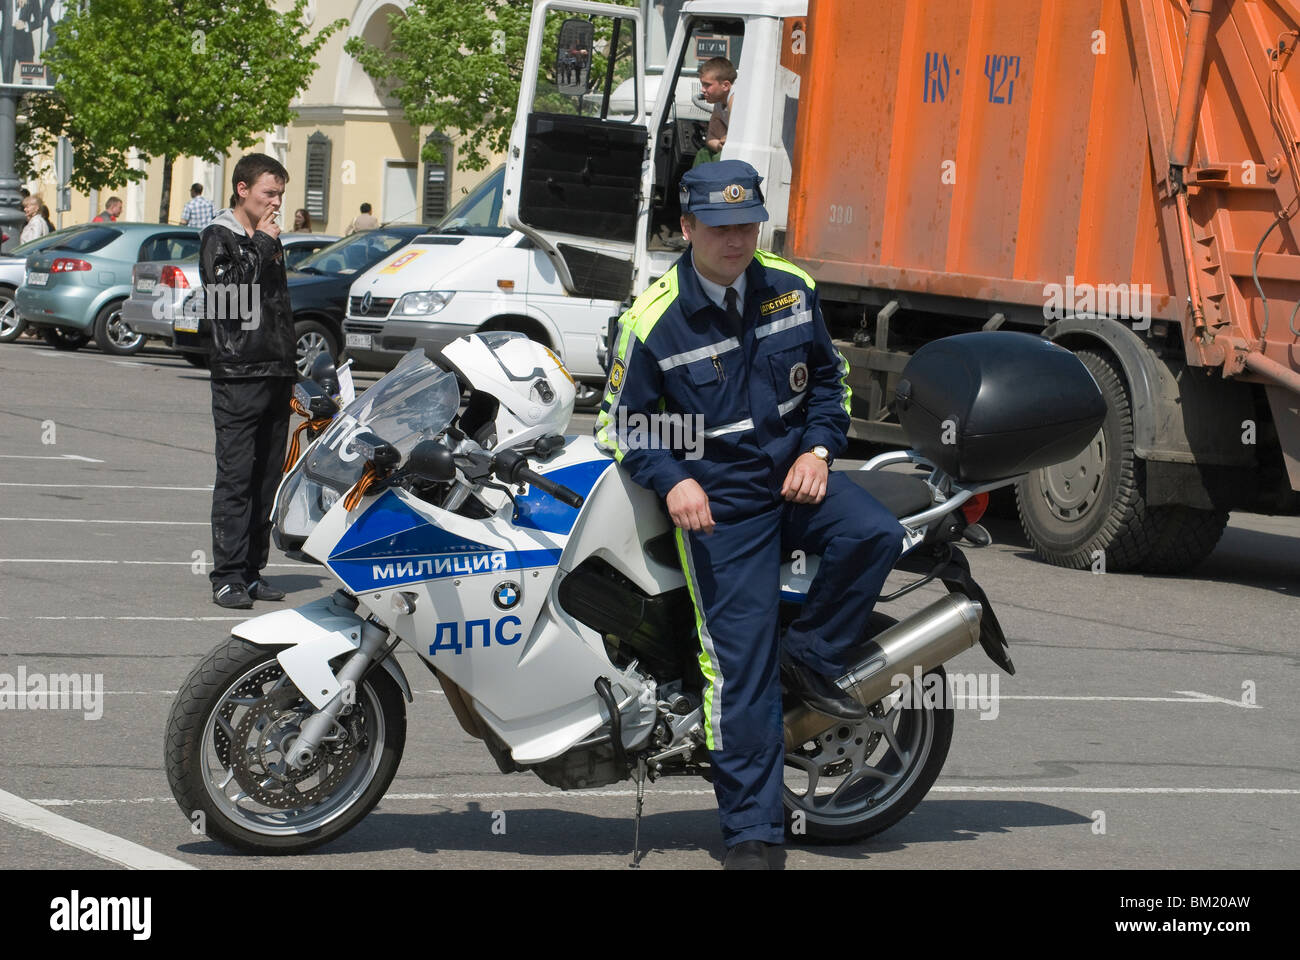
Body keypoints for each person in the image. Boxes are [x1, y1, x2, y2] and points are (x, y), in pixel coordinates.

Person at [594, 160, 904, 870]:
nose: (737, 241)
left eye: (748, 225)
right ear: (688, 227)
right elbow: (627, 424)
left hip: (796, 478)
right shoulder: (653, 318)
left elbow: (831, 381)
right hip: (721, 503)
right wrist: (674, 481)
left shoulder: (790, 288)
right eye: (722, 227)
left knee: (875, 533)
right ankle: (754, 834)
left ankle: (812, 658)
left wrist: (821, 451)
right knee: (739, 668)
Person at [199, 153, 296, 610]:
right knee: (237, 477)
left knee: (267, 478)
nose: (276, 202)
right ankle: (228, 575)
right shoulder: (220, 236)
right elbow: (228, 301)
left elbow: (275, 308)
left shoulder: (268, 238)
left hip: (275, 370)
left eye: (279, 194)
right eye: (268, 194)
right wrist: (259, 243)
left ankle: (254, 570)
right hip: (239, 374)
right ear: (243, 190)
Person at [693, 57, 735, 168]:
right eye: (702, 84)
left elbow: (732, 137)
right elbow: (710, 137)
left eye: (707, 85)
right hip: (725, 149)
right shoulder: (718, 102)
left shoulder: (734, 98)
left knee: (719, 158)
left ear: (725, 86)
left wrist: (724, 142)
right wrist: (718, 145)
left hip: (737, 154)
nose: (702, 90)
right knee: (703, 154)